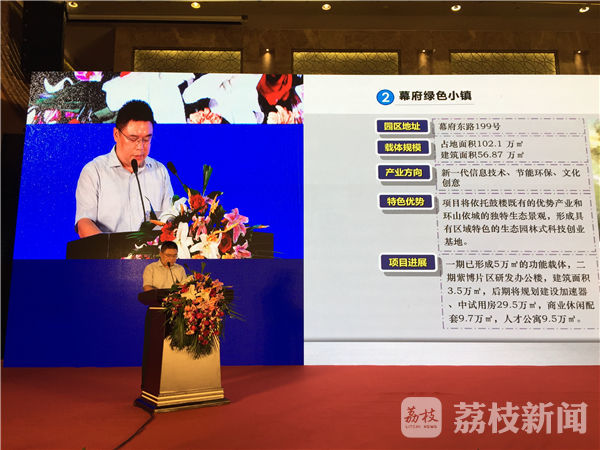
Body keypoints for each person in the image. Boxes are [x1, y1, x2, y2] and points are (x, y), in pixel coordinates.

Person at [75, 100, 174, 238]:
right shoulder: (94, 171)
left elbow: (168, 218)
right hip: (108, 251)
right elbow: (84, 222)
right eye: (133, 139)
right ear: (116, 134)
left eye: (146, 139)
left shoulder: (159, 171)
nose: (140, 147)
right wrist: (108, 249)